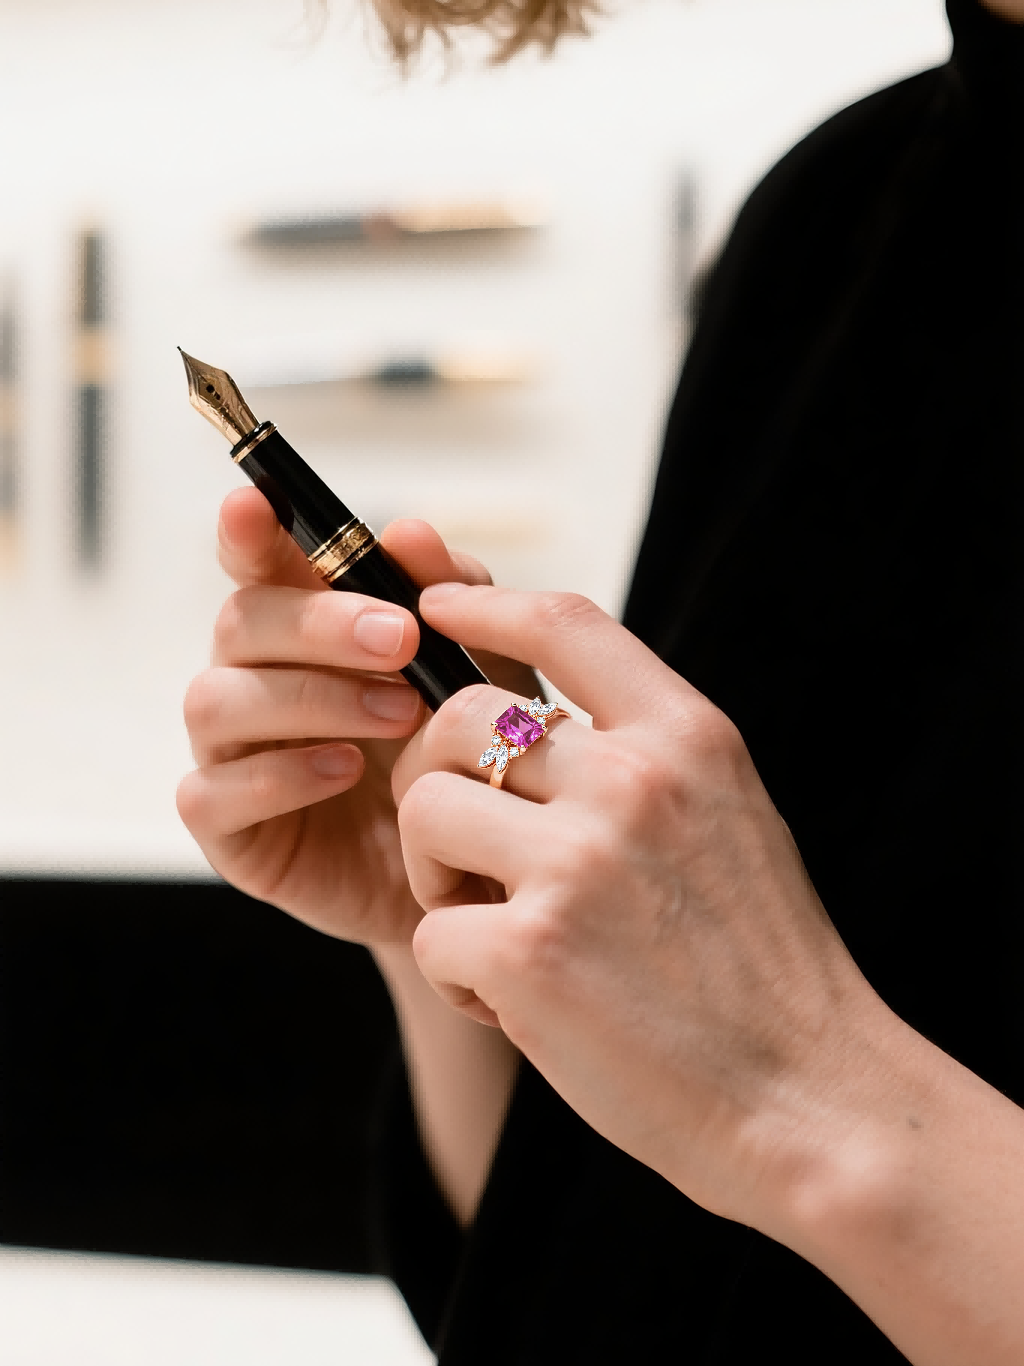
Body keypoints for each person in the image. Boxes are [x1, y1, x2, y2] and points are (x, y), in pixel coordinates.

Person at [176, 0, 1024, 1361]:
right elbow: (590, 1265)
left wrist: (808, 1090)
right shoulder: (833, 216)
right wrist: (455, 918)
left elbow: (772, 1100)